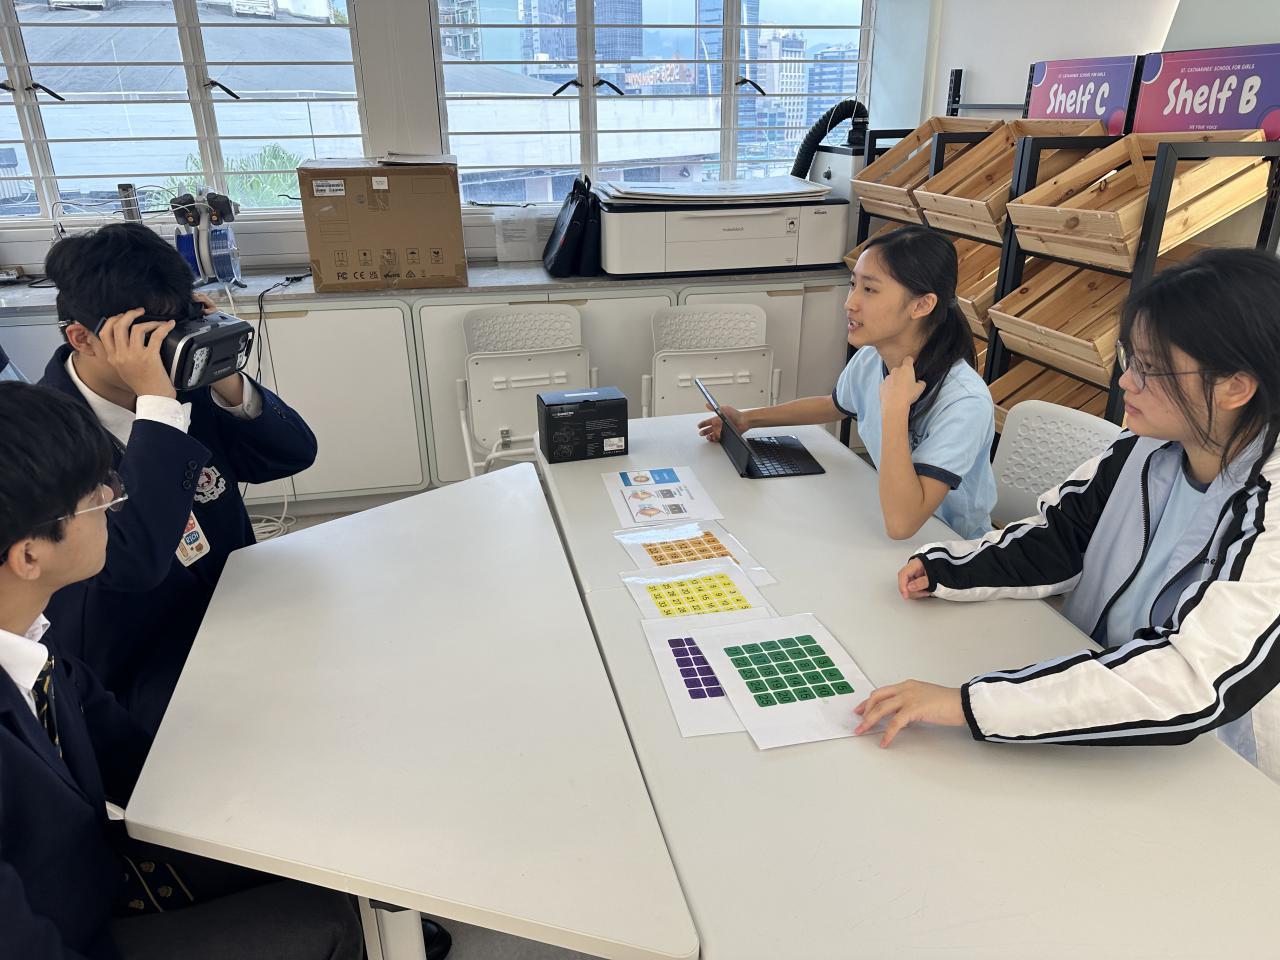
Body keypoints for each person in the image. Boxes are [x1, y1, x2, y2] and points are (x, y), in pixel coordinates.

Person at [854, 248, 1280, 783]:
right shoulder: (1145, 447)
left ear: (1235, 387)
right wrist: (948, 569)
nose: (1126, 382)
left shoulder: (1270, 504)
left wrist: (969, 704)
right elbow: (1059, 538)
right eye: (1130, 358)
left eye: (1151, 369)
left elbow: (1190, 680)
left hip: (1212, 761)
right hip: (1092, 695)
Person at [0, 380, 362, 960]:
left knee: (330, 850)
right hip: (70, 930)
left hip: (92, 870)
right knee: (324, 921)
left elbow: (140, 765)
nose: (113, 495)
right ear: (28, 555)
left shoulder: (34, 642)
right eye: (96, 495)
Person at [38, 222, 318, 736]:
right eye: (147, 339)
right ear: (82, 338)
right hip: (140, 660)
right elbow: (132, 563)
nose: (169, 349)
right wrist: (158, 408)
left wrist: (223, 372)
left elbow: (291, 456)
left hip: (236, 607)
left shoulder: (185, 380)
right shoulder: (42, 435)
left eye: (177, 327)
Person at [697, 225, 996, 540]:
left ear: (921, 305)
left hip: (953, 545)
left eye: (870, 290)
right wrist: (747, 419)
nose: (850, 303)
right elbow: (833, 405)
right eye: (854, 285)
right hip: (886, 525)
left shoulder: (964, 402)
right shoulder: (871, 358)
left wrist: (895, 409)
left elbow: (902, 524)